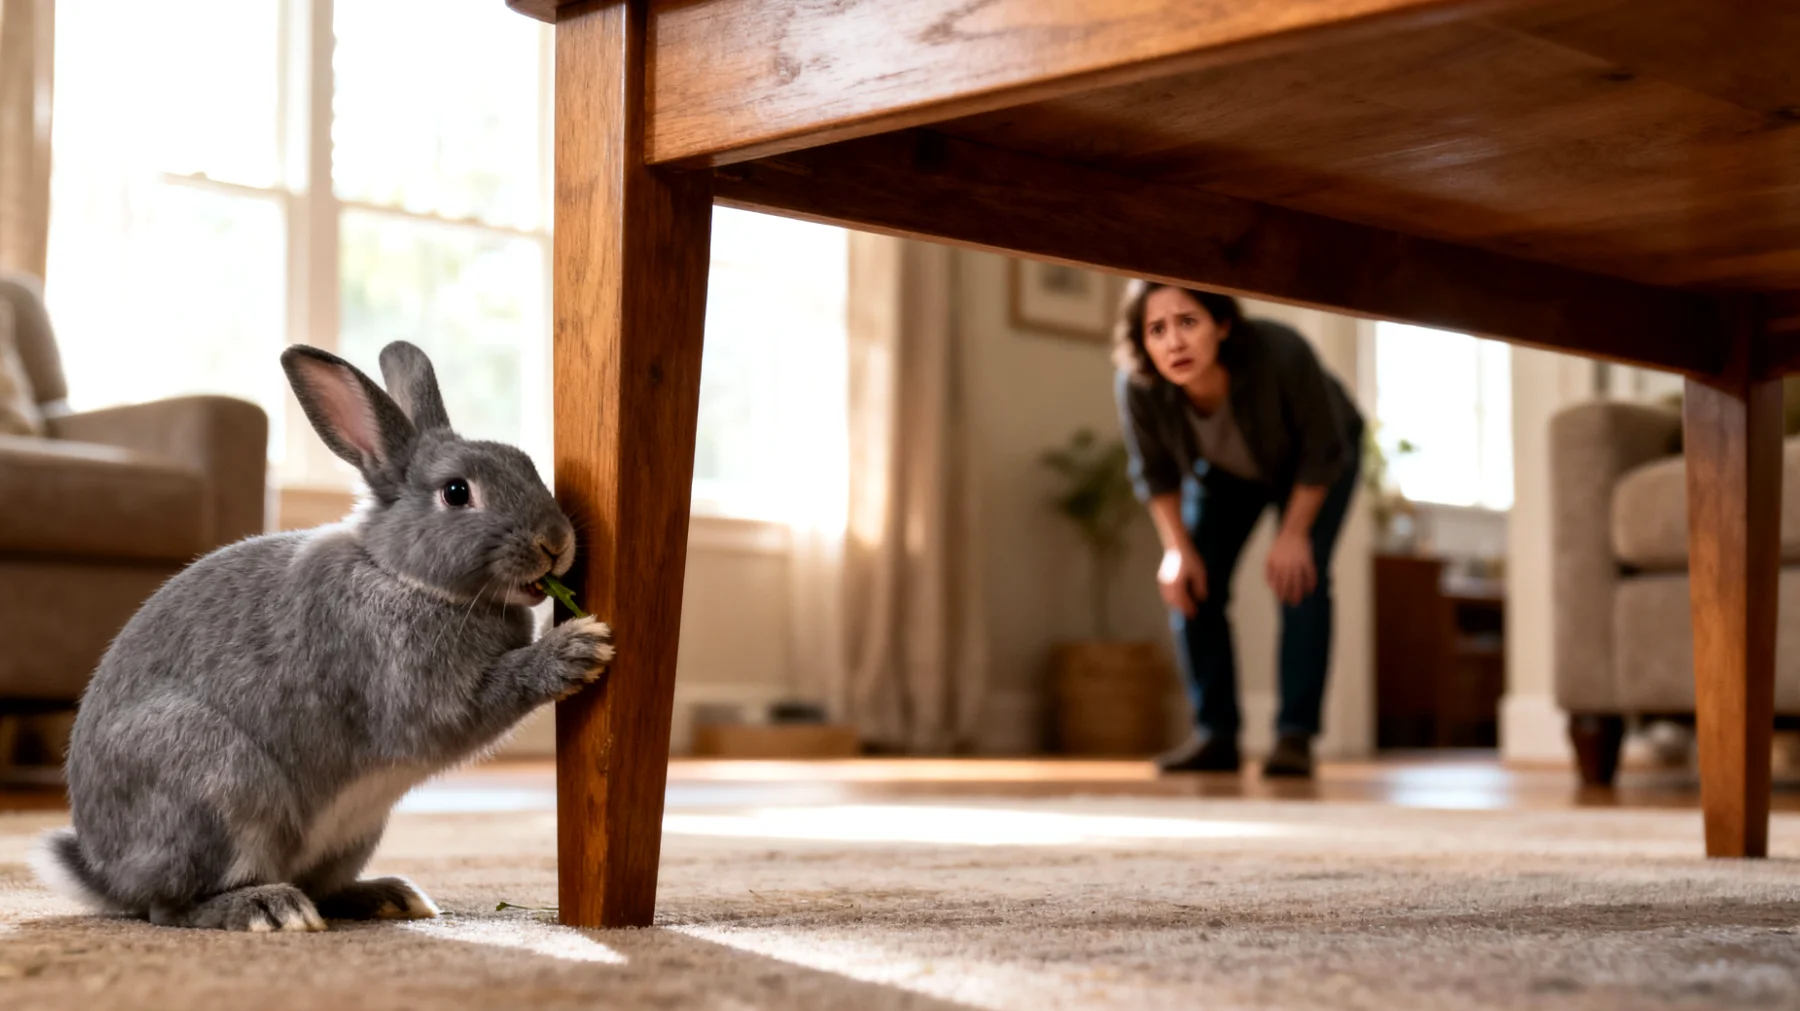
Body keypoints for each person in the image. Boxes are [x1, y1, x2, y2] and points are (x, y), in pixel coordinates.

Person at [1114, 283, 1363, 778]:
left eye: (1188, 322)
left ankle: (1295, 735)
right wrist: (1176, 550)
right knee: (1192, 585)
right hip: (1225, 476)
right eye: (1157, 330)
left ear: (1223, 325)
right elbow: (1155, 473)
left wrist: (1293, 535)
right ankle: (1216, 735)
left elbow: (1322, 449)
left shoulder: (1282, 353)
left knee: (1300, 579)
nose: (1174, 343)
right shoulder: (1138, 386)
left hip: (1315, 464)